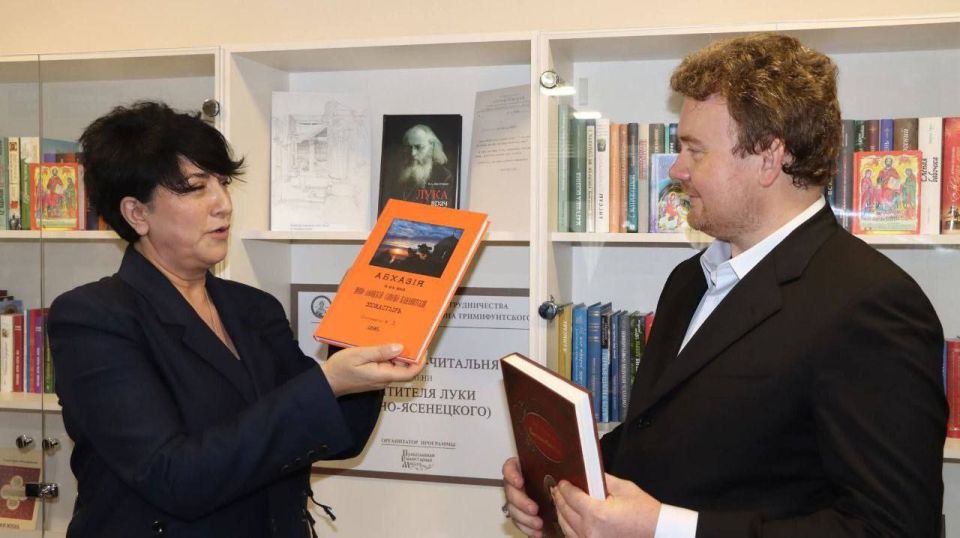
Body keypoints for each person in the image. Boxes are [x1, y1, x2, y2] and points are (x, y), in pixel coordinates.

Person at [503, 33, 946, 538]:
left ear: (768, 157)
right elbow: (660, 437)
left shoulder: (871, 304)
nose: (677, 169)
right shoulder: (689, 280)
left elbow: (891, 529)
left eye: (695, 150)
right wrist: (556, 482)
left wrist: (665, 530)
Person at [48, 101, 425, 538]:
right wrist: (326, 382)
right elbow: (174, 476)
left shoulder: (254, 308)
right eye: (196, 187)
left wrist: (361, 332)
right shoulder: (93, 318)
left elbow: (339, 435)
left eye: (223, 183)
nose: (223, 204)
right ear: (137, 213)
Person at [379, 124, 454, 212]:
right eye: (409, 147)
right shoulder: (397, 174)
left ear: (431, 146)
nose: (412, 153)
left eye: (418, 147)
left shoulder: (444, 177)